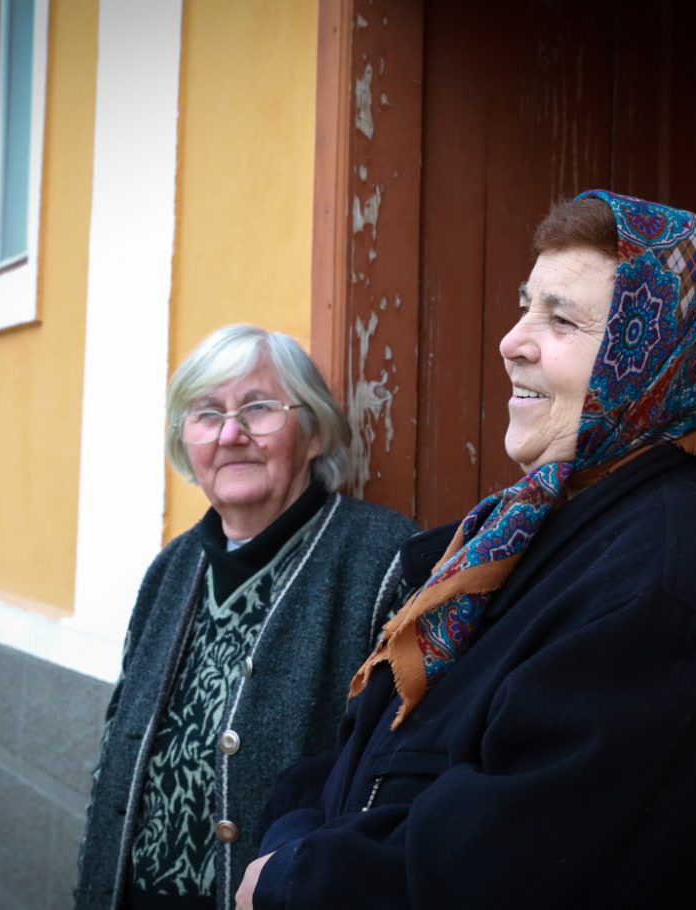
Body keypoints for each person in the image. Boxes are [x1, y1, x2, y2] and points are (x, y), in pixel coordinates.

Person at [237, 191, 696, 909]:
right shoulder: (526, 530)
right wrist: (290, 838)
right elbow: (367, 754)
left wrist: (295, 881)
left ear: (660, 364)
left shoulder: (676, 579)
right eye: (526, 307)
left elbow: (518, 869)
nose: (511, 340)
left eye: (560, 319)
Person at [74, 325, 418, 910]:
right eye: (207, 415)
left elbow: (393, 774)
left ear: (312, 433)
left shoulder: (383, 560)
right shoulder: (171, 568)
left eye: (258, 408)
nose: (231, 434)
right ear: (187, 443)